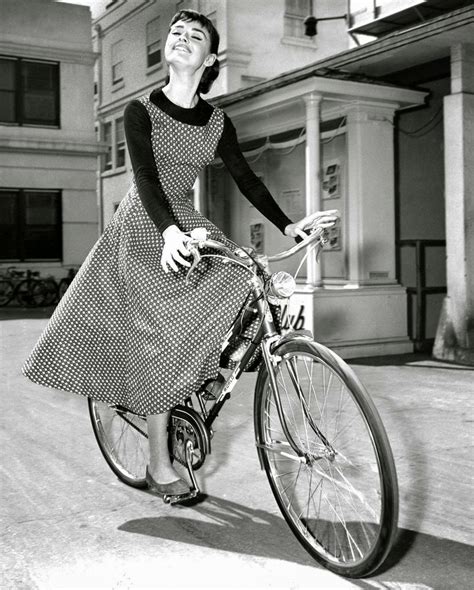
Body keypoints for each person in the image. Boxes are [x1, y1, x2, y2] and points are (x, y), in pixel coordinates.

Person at [23, 9, 337, 502]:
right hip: (145, 220)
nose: (182, 38)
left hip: (183, 218)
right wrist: (169, 232)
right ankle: (157, 464)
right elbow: (146, 179)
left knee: (248, 276)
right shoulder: (140, 110)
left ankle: (208, 383)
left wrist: (289, 225)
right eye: (176, 32)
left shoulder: (216, 122)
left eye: (196, 35)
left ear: (210, 58)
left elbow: (247, 179)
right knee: (158, 338)